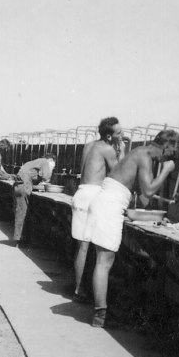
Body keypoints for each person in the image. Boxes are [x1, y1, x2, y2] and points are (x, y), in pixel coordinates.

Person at [86, 129, 179, 328]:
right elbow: (148, 190)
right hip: (109, 207)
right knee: (104, 262)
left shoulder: (140, 153)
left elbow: (144, 197)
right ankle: (99, 317)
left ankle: (101, 311)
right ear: (165, 146)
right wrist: (166, 170)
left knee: (104, 261)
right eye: (171, 152)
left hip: (105, 204)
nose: (171, 156)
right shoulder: (145, 156)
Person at [71, 116, 122, 302]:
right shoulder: (108, 149)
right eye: (119, 133)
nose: (121, 135)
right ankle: (89, 293)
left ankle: (79, 289)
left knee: (82, 247)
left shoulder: (88, 145)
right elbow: (119, 175)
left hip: (80, 193)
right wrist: (121, 153)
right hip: (93, 196)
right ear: (109, 137)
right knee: (98, 250)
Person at [13, 154, 55, 245]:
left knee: (20, 211)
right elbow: (46, 177)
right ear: (50, 160)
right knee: (22, 213)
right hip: (24, 185)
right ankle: (18, 240)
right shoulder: (45, 162)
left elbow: (34, 177)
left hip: (18, 185)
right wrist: (50, 168)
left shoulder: (33, 162)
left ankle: (21, 238)